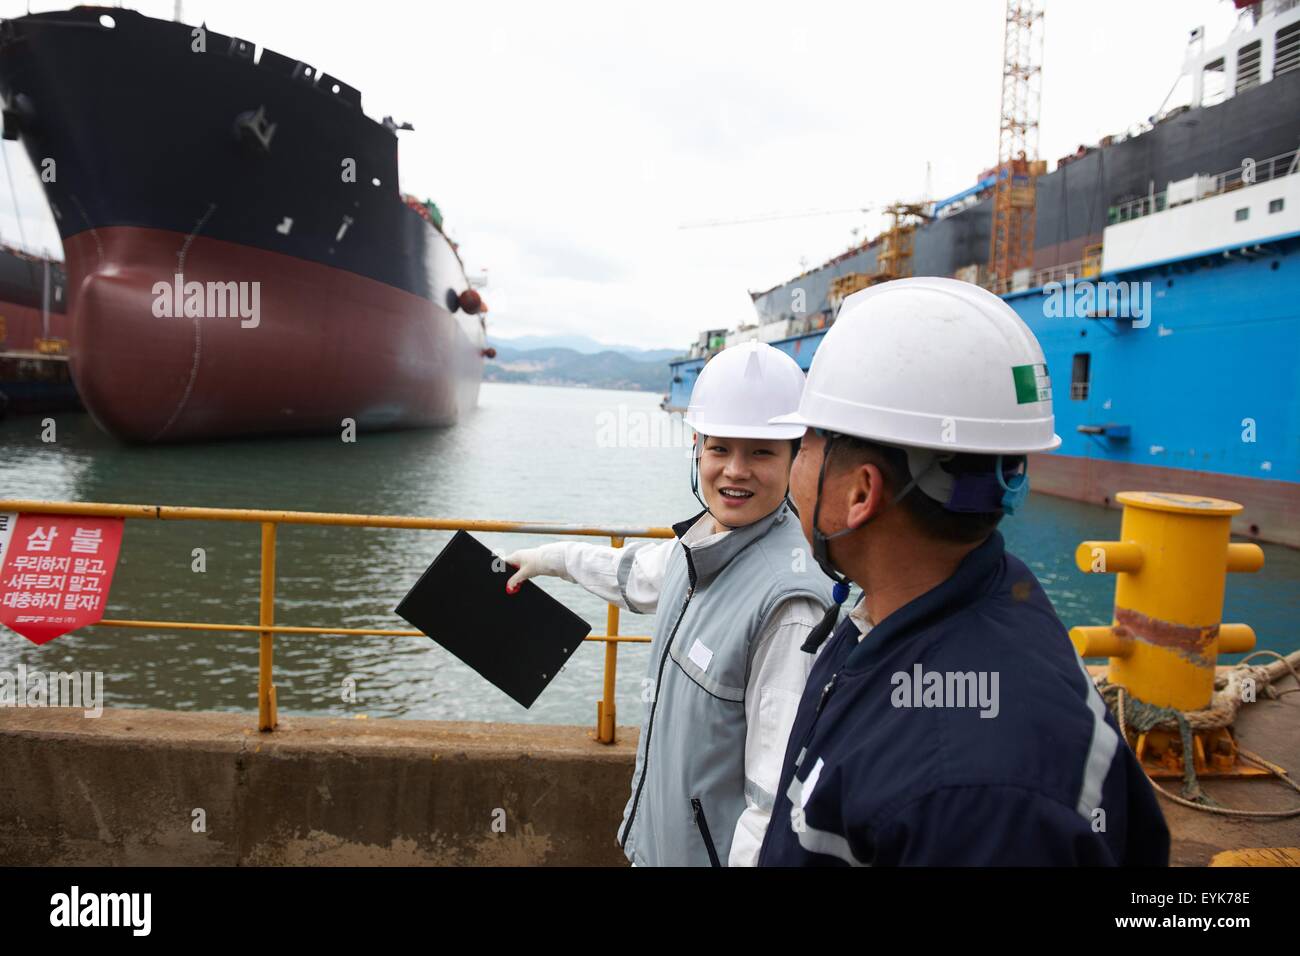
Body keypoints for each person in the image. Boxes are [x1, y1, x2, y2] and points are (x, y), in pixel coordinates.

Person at [757, 277, 1170, 866]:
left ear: (860, 493)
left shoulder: (976, 797)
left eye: (808, 442)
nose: (796, 465)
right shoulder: (952, 599)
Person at [503, 341, 834, 866]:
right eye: (721, 449)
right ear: (698, 447)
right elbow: (633, 574)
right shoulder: (702, 541)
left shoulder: (790, 604)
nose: (735, 471)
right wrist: (546, 559)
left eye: (761, 453)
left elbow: (769, 801)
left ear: (795, 459)